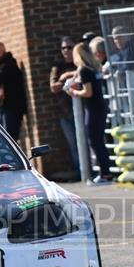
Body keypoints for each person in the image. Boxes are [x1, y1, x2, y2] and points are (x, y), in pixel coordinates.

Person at [66, 43, 113, 184]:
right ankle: (106, 173)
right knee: (99, 141)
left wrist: (74, 92)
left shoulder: (85, 70)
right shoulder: (94, 68)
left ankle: (104, 174)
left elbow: (88, 92)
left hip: (93, 109)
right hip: (100, 107)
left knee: (95, 141)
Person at [49, 36, 81, 180]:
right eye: (63, 48)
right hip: (65, 112)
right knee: (73, 145)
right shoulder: (58, 66)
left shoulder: (78, 63)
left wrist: (67, 76)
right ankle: (80, 172)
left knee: (87, 142)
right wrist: (68, 84)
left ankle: (92, 170)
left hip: (82, 110)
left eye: (69, 47)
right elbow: (53, 87)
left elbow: (86, 72)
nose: (66, 50)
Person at [0, 41, 27, 141]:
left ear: (4, 51)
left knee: (9, 140)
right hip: (3, 107)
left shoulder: (8, 65)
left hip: (12, 107)